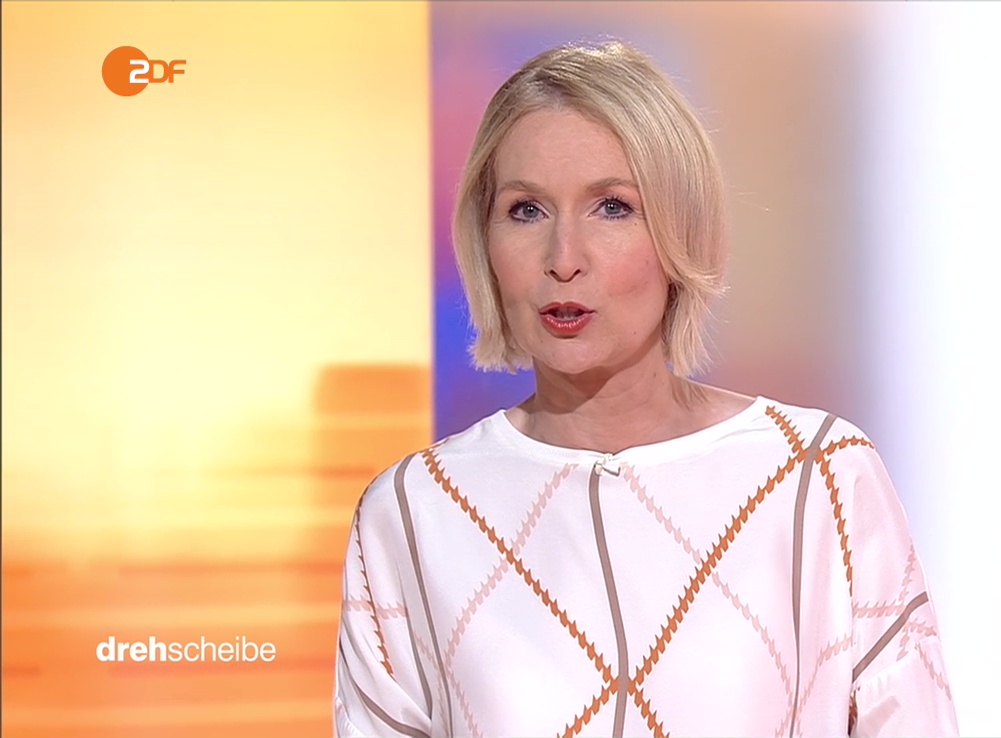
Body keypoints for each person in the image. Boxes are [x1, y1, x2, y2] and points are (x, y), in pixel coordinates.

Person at [333, 40, 959, 738]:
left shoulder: (817, 476)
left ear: (679, 230)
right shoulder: (414, 511)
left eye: (611, 207)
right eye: (526, 210)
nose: (563, 259)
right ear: (484, 241)